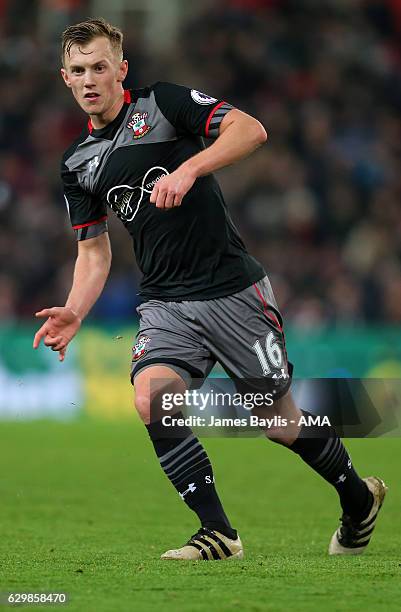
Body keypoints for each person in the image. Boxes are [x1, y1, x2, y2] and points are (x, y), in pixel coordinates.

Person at [33, 18, 386, 561]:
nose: (89, 79)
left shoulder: (164, 105)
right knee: (152, 396)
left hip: (232, 291)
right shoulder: (76, 164)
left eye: (99, 67)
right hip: (165, 303)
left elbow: (250, 129)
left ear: (120, 69)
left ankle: (357, 497)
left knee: (278, 423)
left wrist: (189, 169)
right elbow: (93, 251)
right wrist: (76, 310)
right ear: (65, 78)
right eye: (78, 70)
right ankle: (219, 531)